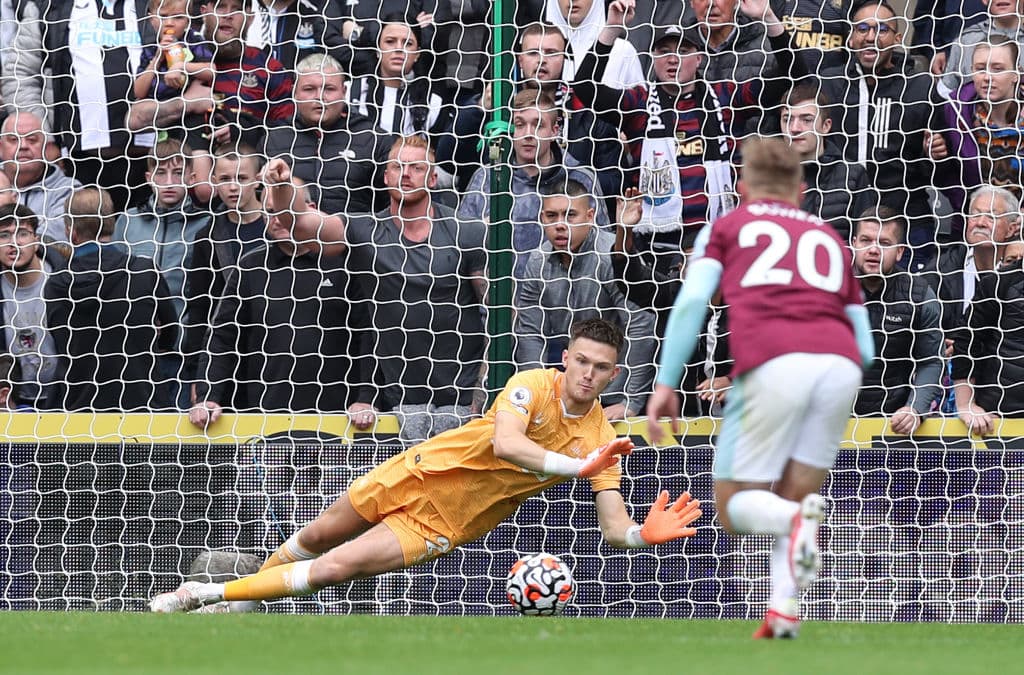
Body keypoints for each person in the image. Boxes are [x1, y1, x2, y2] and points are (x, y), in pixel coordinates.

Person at [150, 318, 703, 613]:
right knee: (317, 536)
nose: (587, 373)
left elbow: (613, 524)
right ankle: (246, 600)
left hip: (448, 519)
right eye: (580, 360)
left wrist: (639, 534)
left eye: (600, 368)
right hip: (418, 468)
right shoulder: (532, 385)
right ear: (565, 358)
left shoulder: (602, 439)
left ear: (613, 375)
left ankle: (205, 595)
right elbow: (508, 444)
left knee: (338, 567)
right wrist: (573, 466)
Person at [646, 138, 874, 639]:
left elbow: (692, 301)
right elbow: (866, 345)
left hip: (773, 362)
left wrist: (665, 381)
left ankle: (794, 531)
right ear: (801, 190)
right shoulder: (829, 238)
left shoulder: (726, 226)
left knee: (736, 508)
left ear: (743, 187)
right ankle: (783, 612)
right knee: (795, 499)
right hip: (841, 367)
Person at [261, 135, 487, 441]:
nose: (406, 174)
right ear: (385, 176)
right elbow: (300, 224)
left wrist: (482, 392)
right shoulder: (364, 231)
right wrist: (281, 185)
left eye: (417, 167)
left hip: (464, 397)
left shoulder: (467, 231)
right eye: (397, 166)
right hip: (397, 400)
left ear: (433, 179)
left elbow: (500, 314)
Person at [188, 173, 373, 421]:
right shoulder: (250, 267)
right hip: (264, 418)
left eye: (286, 210)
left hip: (339, 418)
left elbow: (369, 335)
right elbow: (222, 336)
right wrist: (208, 395)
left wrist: (367, 397)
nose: (278, 219)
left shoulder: (345, 264)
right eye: (270, 211)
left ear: (310, 209)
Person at [514, 178, 657, 421]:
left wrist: (631, 402)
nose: (560, 225)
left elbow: (641, 325)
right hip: (570, 390)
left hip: (619, 391)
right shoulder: (537, 262)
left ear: (590, 216)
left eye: (570, 215)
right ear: (541, 218)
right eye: (551, 216)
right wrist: (535, 396)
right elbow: (530, 333)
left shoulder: (613, 255)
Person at [45, 187, 178, 411]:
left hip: (80, 409)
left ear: (71, 232)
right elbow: (171, 334)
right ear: (112, 223)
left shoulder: (56, 283)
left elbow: (59, 341)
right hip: (144, 406)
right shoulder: (143, 272)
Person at [459, 88, 609, 275]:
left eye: (538, 125)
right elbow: (462, 248)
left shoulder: (582, 179)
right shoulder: (486, 179)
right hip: (496, 292)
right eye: (519, 125)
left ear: (554, 131)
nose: (528, 134)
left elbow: (603, 249)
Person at [112, 137, 212, 409]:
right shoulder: (128, 221)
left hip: (184, 352)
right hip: (135, 351)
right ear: (148, 178)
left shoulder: (206, 225)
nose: (169, 182)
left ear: (191, 178)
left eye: (177, 173)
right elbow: (114, 282)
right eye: (160, 173)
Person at [262, 53, 395, 216]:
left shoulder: (373, 138)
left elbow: (391, 205)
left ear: (344, 91)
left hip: (355, 232)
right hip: (287, 232)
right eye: (309, 89)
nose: (319, 97)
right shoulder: (273, 139)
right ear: (294, 92)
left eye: (329, 89)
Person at [850, 208, 944, 432]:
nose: (873, 249)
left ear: (900, 252)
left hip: (892, 425)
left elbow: (931, 361)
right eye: (865, 240)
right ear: (854, 243)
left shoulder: (919, 294)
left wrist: (915, 409)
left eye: (884, 243)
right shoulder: (830, 288)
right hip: (831, 421)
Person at [780, 83, 873, 242]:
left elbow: (865, 241)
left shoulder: (852, 175)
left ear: (826, 126)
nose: (794, 128)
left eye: (806, 120)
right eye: (787, 119)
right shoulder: (767, 176)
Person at [0, 204, 65, 409]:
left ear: (36, 241)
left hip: (64, 400)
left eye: (22, 233)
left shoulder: (64, 281)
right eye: (4, 235)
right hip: (14, 402)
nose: (14, 243)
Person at [0, 112, 82, 243]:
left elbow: (57, 240)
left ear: (46, 148)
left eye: (32, 140)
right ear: (0, 148)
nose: (23, 146)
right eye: (14, 140)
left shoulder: (69, 190)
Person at [133, 0, 216, 102]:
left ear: (188, 20)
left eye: (178, 17)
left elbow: (211, 71)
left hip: (190, 104)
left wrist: (180, 66)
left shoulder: (193, 39)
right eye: (163, 16)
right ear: (152, 20)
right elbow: (138, 92)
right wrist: (157, 59)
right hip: (156, 107)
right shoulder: (151, 47)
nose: (169, 23)